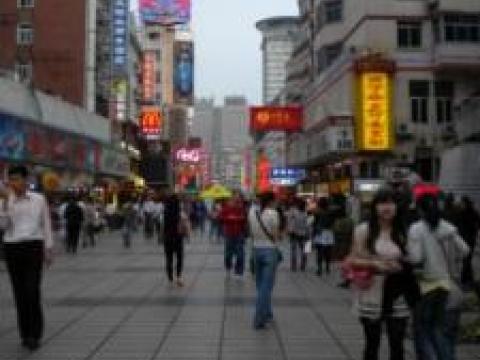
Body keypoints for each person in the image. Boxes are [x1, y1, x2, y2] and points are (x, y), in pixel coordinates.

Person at [347, 189, 412, 360]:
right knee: (372, 343)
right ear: (375, 207)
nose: (387, 207)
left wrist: (403, 265)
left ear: (397, 206)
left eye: (391, 203)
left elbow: (413, 259)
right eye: (382, 203)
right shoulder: (363, 230)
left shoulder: (404, 231)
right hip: (372, 291)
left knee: (397, 344)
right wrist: (376, 264)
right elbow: (353, 260)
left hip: (398, 293)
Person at [408, 194, 470, 360]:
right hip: (449, 285)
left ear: (420, 210)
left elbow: (416, 258)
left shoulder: (416, 228)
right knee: (444, 334)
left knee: (423, 331)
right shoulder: (448, 228)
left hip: (427, 286)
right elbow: (465, 250)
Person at [0, 165, 54, 351]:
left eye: (17, 179)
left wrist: (48, 248)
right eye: (11, 179)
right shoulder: (6, 200)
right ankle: (25, 333)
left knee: (32, 290)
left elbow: (46, 223)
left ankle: (35, 334)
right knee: (19, 293)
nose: (13, 183)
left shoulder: (38, 199)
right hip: (12, 248)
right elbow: (3, 226)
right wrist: (6, 204)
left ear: (26, 179)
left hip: (33, 247)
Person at [248, 192, 281, 330]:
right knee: (266, 286)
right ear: (271, 201)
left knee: (260, 285)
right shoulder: (273, 214)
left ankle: (267, 312)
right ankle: (258, 319)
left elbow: (250, 232)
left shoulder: (251, 212)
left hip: (256, 250)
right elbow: (275, 234)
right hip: (270, 251)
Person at [219, 191, 248, 277]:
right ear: (232, 198)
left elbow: (245, 219)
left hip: (240, 233)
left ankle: (239, 271)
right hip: (229, 233)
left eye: (238, 198)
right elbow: (220, 217)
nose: (237, 199)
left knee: (240, 253)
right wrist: (228, 218)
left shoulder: (242, 208)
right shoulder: (226, 208)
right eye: (235, 197)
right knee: (228, 253)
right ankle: (228, 267)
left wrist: (239, 218)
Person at [163, 194, 188, 287]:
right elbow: (185, 224)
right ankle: (179, 277)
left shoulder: (165, 212)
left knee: (169, 258)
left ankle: (170, 277)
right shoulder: (180, 213)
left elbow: (163, 226)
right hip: (178, 238)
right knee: (179, 257)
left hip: (168, 238)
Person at [457, 196, 480, 286]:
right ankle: (469, 278)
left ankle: (465, 279)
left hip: (468, 238)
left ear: (465, 203)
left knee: (466, 259)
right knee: (467, 258)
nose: (461, 205)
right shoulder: (472, 212)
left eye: (462, 203)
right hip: (468, 238)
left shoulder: (463, 213)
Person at [313, 198, 335, 276]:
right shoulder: (331, 212)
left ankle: (319, 269)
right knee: (328, 251)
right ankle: (327, 267)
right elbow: (333, 222)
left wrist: (313, 234)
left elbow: (315, 223)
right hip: (329, 232)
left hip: (320, 232)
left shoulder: (317, 212)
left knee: (319, 251)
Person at [289, 198, 309, 272]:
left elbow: (289, 221)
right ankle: (303, 265)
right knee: (304, 250)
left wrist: (290, 230)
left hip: (293, 232)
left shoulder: (292, 211)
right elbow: (308, 224)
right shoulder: (306, 213)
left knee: (294, 249)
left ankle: (294, 266)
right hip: (303, 233)